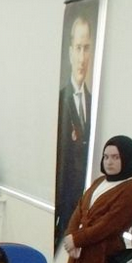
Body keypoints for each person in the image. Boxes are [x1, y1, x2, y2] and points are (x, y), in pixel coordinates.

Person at [63, 135, 132, 263]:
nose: (109, 162)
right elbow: (80, 209)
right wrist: (71, 235)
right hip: (80, 253)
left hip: (103, 256)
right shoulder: (100, 180)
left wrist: (76, 239)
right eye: (106, 157)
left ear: (127, 158)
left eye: (115, 157)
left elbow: (109, 224)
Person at [55, 15, 95, 251]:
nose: (82, 57)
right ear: (70, 52)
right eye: (78, 48)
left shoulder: (92, 102)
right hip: (64, 207)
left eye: (86, 48)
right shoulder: (60, 100)